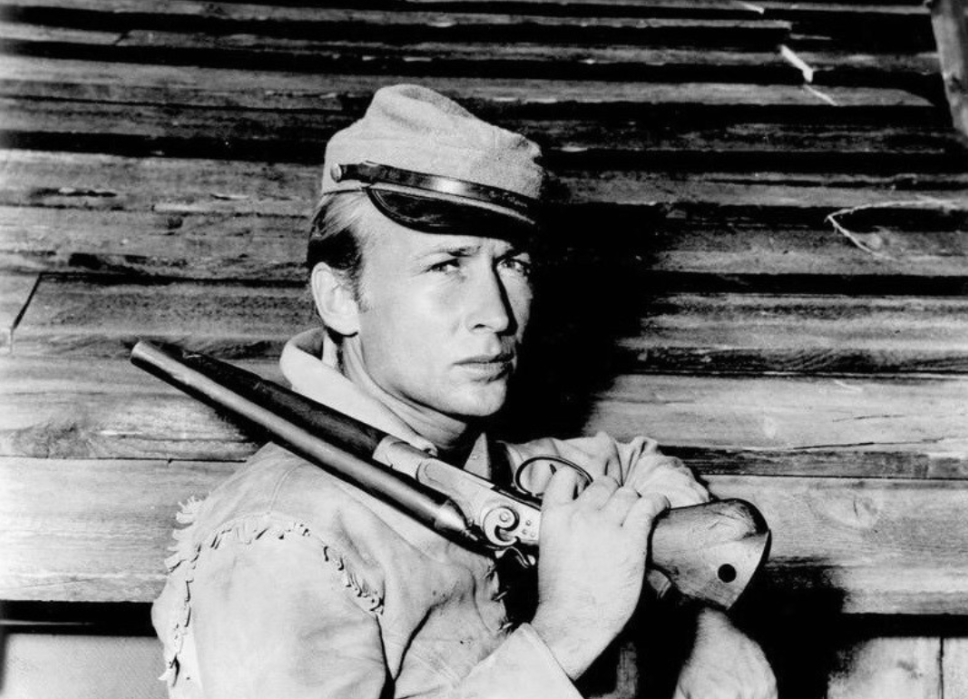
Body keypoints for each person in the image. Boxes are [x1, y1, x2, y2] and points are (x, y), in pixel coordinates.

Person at [151, 84, 776, 699]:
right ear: (341, 298)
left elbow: (641, 468)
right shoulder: (280, 539)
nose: (498, 315)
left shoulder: (494, 469)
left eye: (513, 265)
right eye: (446, 264)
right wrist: (568, 628)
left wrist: (702, 623)